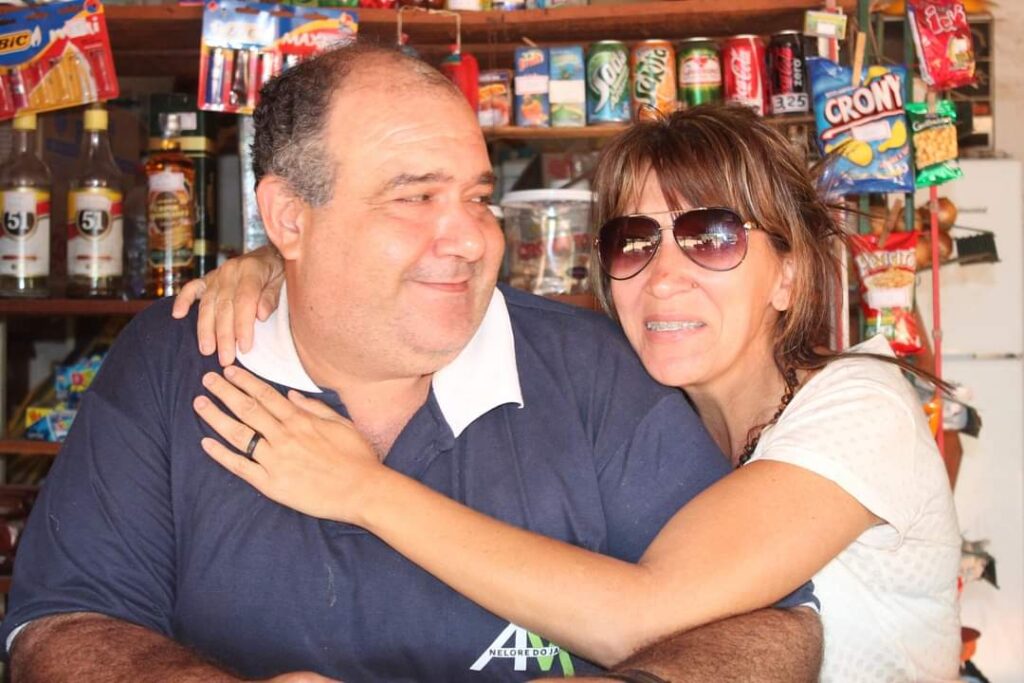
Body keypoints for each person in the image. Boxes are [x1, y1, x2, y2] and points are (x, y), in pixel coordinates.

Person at [0, 44, 822, 683]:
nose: (469, 237)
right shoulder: (176, 359)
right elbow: (59, 627)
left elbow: (777, 627)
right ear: (289, 218)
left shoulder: (591, 371)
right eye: (415, 196)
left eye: (477, 197)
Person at [178, 100, 963, 682]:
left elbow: (640, 613)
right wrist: (289, 263)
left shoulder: (862, 410)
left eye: (711, 236)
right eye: (634, 240)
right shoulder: (654, 410)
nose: (664, 275)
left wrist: (363, 489)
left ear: (789, 274)